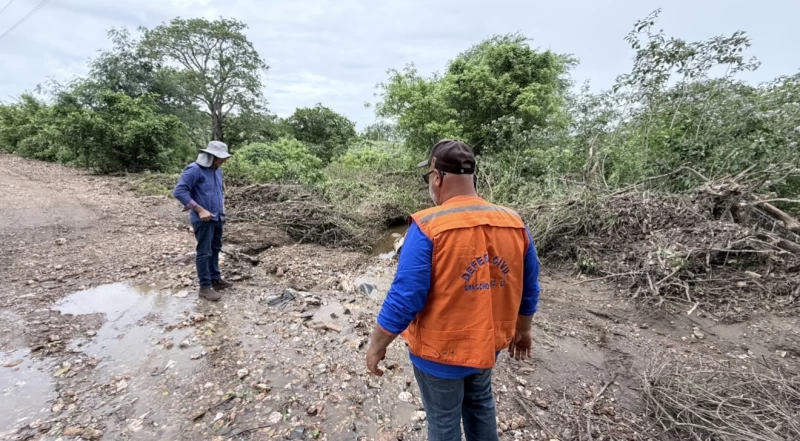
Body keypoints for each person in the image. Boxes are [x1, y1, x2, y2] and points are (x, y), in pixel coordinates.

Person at [365, 139, 541, 441]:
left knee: (444, 422)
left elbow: (406, 296)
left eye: (428, 178)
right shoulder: (513, 223)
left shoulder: (428, 226)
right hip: (488, 344)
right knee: (481, 407)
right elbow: (528, 285)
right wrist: (523, 330)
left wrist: (377, 344)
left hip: (438, 353)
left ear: (437, 177)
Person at [173, 141, 235, 301]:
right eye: (220, 159)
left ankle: (216, 279)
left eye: (224, 159)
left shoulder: (217, 171)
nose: (223, 162)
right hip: (203, 219)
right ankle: (205, 287)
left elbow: (217, 193)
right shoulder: (195, 169)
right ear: (211, 156)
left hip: (217, 217)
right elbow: (179, 191)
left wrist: (222, 212)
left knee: (215, 248)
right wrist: (200, 210)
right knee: (204, 252)